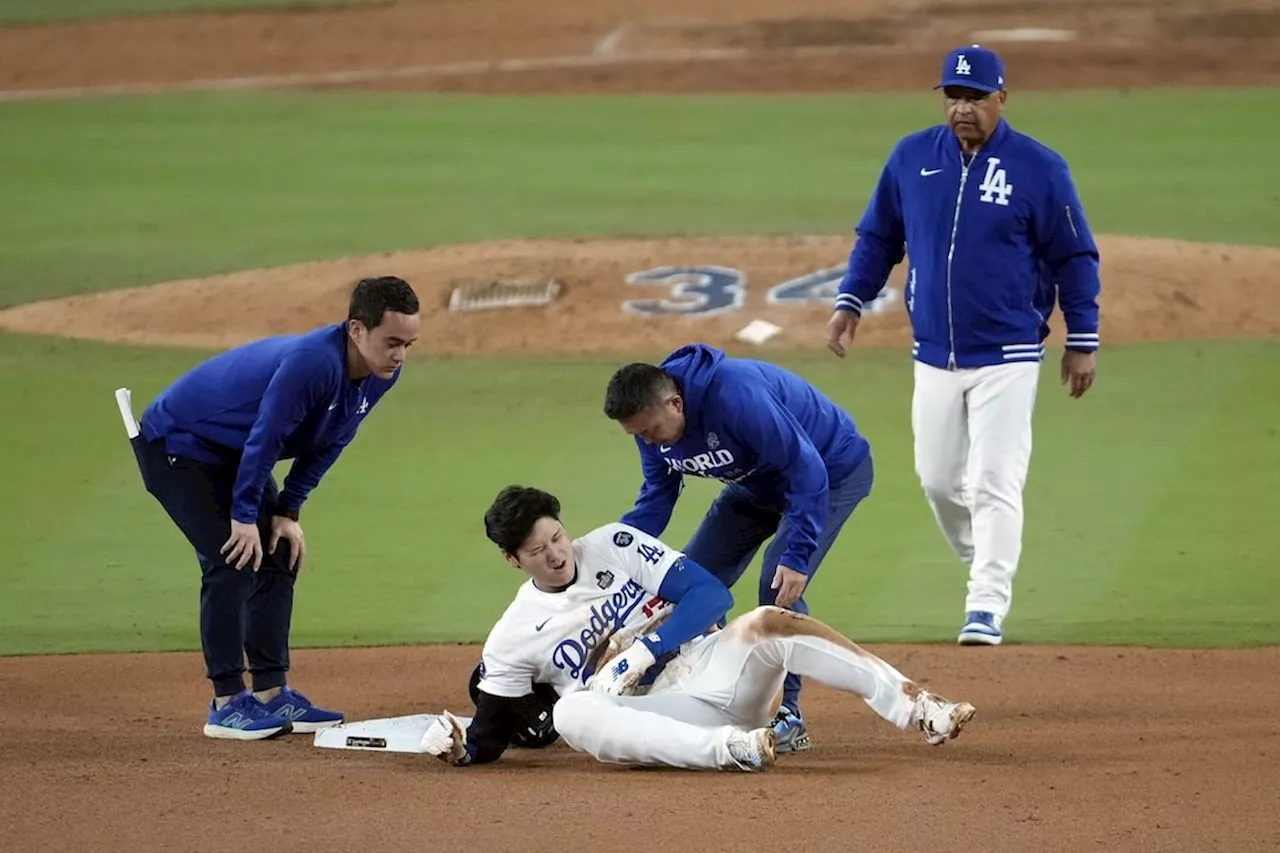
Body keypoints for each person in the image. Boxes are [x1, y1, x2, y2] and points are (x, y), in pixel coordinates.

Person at [826, 44, 1102, 646]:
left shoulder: (1039, 168)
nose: (963, 109)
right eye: (954, 97)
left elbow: (1074, 256)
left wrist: (1082, 339)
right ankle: (987, 554)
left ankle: (986, 604)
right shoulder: (911, 158)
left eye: (975, 97)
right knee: (938, 481)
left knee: (994, 481)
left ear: (1002, 98)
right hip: (933, 357)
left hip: (1009, 355)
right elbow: (879, 238)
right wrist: (852, 300)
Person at [418, 486, 976, 771]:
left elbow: (712, 593)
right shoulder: (514, 636)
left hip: (710, 670)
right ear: (513, 560)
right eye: (538, 551)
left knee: (768, 622)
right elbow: (493, 729)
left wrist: (638, 653)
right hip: (650, 716)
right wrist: (463, 747)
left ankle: (918, 707)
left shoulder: (614, 542)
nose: (557, 554)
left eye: (558, 537)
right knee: (571, 712)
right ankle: (733, 751)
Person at [129, 276, 421, 740]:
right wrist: (244, 518)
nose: (400, 355)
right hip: (178, 443)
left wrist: (287, 510)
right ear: (357, 330)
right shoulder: (312, 365)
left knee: (280, 550)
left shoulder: (380, 372)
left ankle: (270, 692)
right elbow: (266, 439)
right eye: (392, 342)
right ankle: (226, 703)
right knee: (233, 558)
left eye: (408, 344)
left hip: (232, 452)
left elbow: (334, 439)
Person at [599, 343, 874, 754]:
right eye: (637, 435)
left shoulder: (735, 396)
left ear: (675, 403)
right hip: (755, 485)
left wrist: (797, 554)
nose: (647, 442)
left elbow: (806, 468)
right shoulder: (651, 426)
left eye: (650, 431)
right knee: (689, 584)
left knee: (776, 586)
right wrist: (613, 554)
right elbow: (657, 497)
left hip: (830, 473)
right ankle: (714, 689)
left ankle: (788, 715)